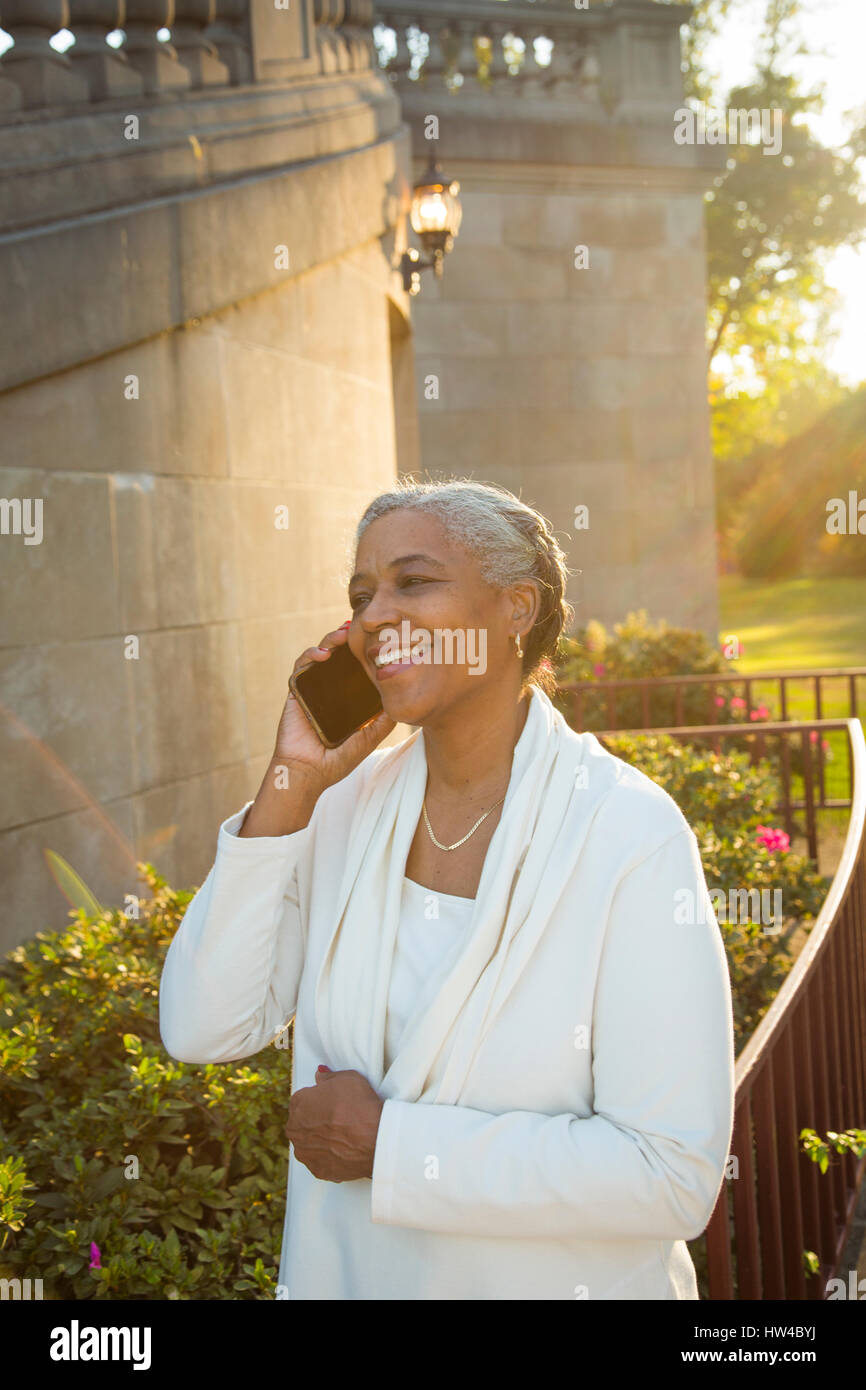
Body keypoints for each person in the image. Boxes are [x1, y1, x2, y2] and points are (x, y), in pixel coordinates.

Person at [159, 478, 735, 1300]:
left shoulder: (628, 834)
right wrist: (290, 783)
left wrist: (392, 1148)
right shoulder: (338, 812)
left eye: (413, 581)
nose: (371, 616)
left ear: (516, 609)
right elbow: (201, 1025)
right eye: (360, 594)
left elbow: (670, 1173)